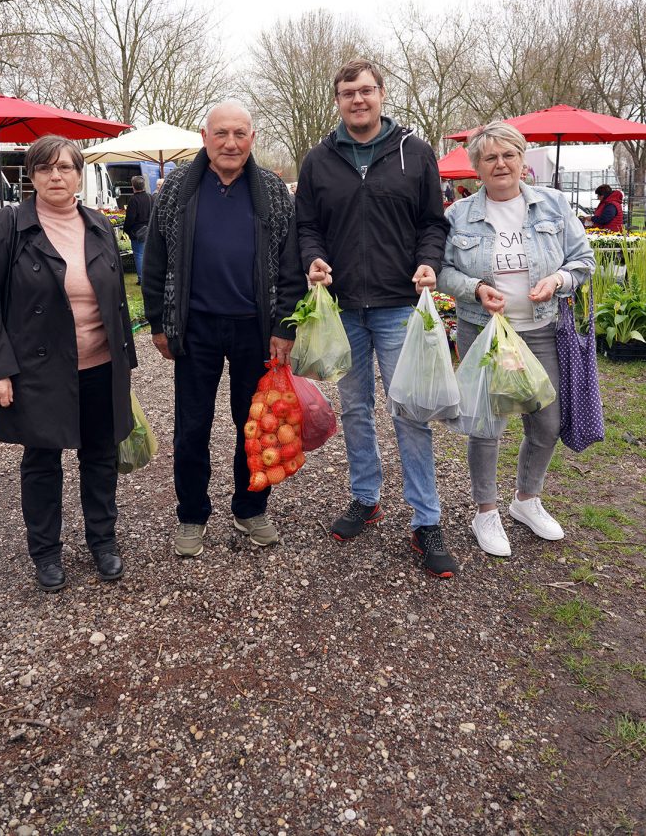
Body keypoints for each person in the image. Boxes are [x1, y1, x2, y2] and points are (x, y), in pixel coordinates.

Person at [295, 58, 458, 579]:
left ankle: (426, 519)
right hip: (342, 308)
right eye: (348, 93)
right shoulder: (318, 160)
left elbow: (433, 222)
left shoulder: (415, 152)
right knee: (355, 408)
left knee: (409, 409)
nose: (358, 100)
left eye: (366, 90)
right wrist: (313, 258)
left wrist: (428, 261)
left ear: (382, 94)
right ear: (338, 101)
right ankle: (366, 498)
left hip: (397, 305)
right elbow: (307, 226)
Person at [0, 136, 137, 592]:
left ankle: (103, 541)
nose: (56, 176)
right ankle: (46, 552)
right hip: (38, 371)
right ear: (31, 176)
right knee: (42, 461)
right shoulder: (8, 226)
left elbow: (116, 299)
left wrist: (125, 365)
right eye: (45, 168)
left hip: (100, 365)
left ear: (79, 174)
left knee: (100, 457)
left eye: (65, 167)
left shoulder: (98, 224)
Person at [142, 101, 304, 558]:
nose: (230, 143)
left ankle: (250, 509)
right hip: (195, 327)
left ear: (252, 138)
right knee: (192, 426)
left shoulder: (272, 191)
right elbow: (155, 259)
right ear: (205, 137)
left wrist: (284, 325)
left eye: (239, 134)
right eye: (221, 133)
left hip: (255, 328)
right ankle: (192, 515)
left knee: (254, 425)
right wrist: (159, 322)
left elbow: (291, 265)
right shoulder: (177, 189)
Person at [437, 120, 595, 557]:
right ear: (477, 167)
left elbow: (583, 261)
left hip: (540, 330)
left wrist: (558, 280)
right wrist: (475, 288)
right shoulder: (458, 215)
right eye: (490, 157)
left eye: (509, 155)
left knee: (546, 422)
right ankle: (485, 511)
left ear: (522, 160)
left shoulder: (553, 205)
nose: (501, 163)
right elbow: (443, 270)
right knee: (486, 425)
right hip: (483, 332)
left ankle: (526, 499)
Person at [123, 175, 153, 283]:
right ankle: (149, 277)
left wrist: (127, 230)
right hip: (150, 230)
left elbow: (130, 218)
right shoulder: (150, 197)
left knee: (139, 255)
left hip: (138, 232)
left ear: (133, 186)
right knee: (148, 255)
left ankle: (142, 279)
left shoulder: (133, 199)